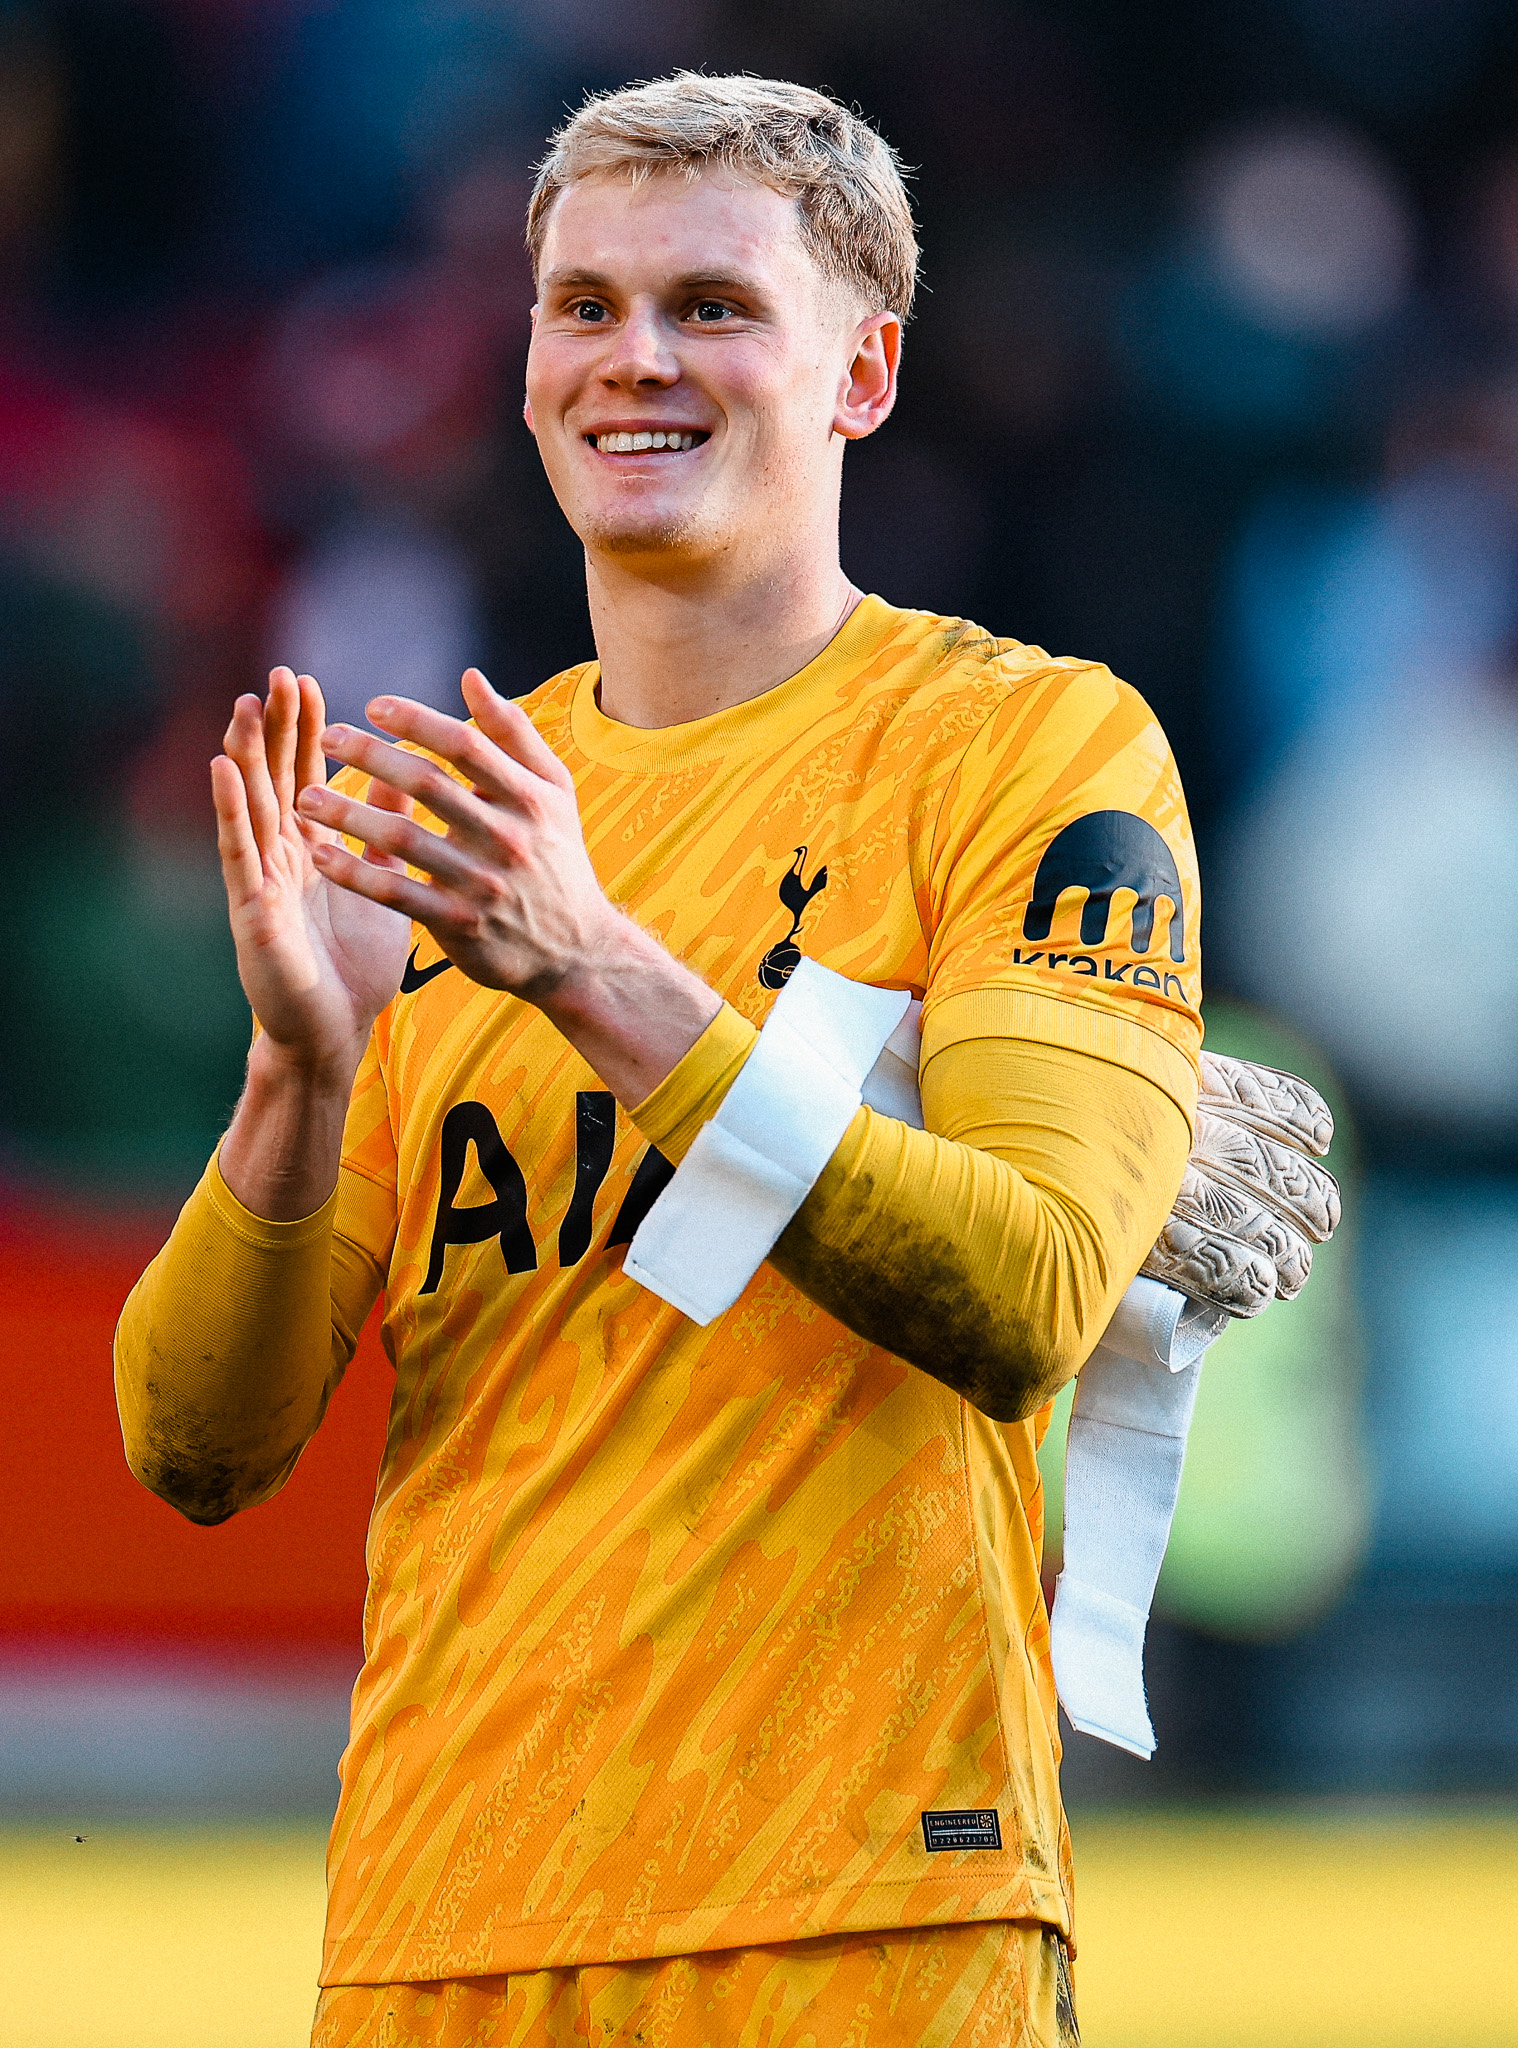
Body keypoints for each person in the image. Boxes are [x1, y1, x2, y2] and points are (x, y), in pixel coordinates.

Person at [116, 75, 1208, 2046]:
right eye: (585, 305)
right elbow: (196, 1447)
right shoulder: (459, 813)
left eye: (712, 305)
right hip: (440, 1931)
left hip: (862, 1915)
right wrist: (301, 1066)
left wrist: (596, 967)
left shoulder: (1025, 751)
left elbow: (1035, 1288)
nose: (635, 359)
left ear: (863, 371)